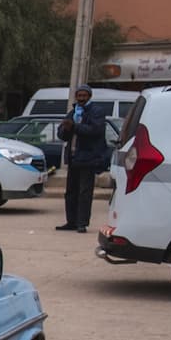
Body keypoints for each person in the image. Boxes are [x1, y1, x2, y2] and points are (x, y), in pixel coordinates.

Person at [56, 86, 110, 232]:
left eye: (84, 95)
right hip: (73, 157)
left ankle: (82, 223)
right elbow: (61, 134)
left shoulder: (96, 112)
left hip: (88, 157)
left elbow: (95, 130)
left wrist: (74, 126)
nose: (81, 98)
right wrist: (66, 129)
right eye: (79, 95)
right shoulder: (73, 112)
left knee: (84, 193)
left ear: (89, 96)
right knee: (71, 192)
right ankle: (71, 221)